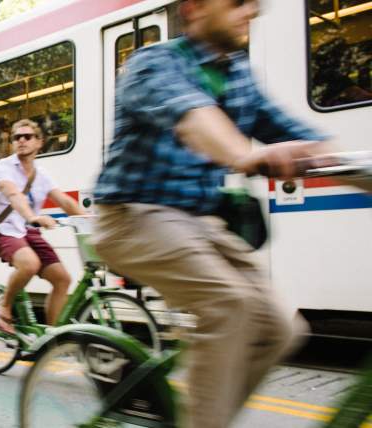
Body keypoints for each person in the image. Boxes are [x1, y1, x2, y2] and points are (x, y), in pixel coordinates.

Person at [91, 1, 329, 426]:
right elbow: (193, 119)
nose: (251, 11)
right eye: (237, 2)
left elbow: (302, 138)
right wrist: (244, 154)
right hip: (131, 217)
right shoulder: (152, 64)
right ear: (196, 8)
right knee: (229, 304)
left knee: (280, 328)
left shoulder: (238, 73)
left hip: (198, 224)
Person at [0, 118, 87, 335]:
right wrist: (32, 217)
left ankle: (52, 337)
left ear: (39, 142)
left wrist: (92, 221)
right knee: (30, 263)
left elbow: (65, 201)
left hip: (27, 230)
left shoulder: (42, 175)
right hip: (1, 229)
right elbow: (13, 194)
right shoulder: (4, 168)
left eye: (27, 136)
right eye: (16, 137)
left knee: (62, 279)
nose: (21, 140)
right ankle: (5, 306)